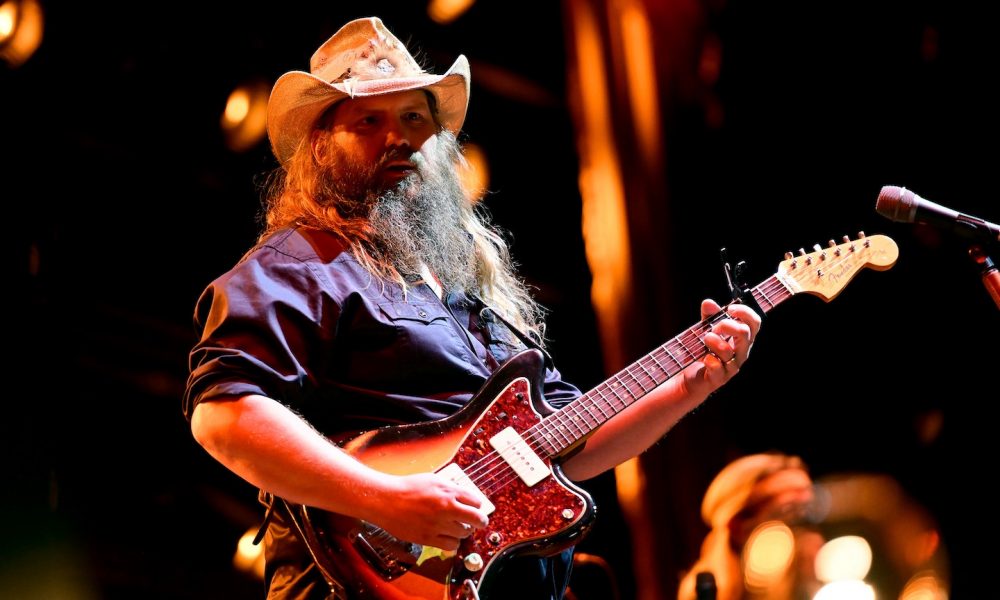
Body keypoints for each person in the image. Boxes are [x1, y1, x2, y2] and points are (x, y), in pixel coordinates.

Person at [183, 16, 761, 600]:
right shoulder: (301, 261)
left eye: (414, 118)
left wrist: (691, 384)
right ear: (320, 146)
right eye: (369, 120)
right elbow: (223, 413)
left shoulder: (472, 295)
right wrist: (382, 498)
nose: (399, 137)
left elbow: (574, 444)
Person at [677, 453, 819, 600]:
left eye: (811, 511)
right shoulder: (707, 593)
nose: (809, 532)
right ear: (737, 526)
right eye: (789, 513)